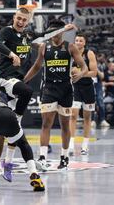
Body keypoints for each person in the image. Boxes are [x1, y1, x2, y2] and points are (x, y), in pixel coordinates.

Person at [0, 8, 75, 180]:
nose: (21, 22)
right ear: (14, 17)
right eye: (19, 18)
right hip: (5, 79)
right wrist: (11, 54)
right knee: (27, 92)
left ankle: (7, 162)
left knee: (13, 130)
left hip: (17, 83)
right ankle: (18, 120)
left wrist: (64, 29)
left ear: (28, 21)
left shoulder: (29, 36)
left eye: (24, 19)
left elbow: (46, 34)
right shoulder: (7, 31)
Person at [24, 20, 87, 170]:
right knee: (46, 124)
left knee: (65, 125)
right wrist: (24, 80)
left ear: (62, 31)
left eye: (55, 30)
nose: (53, 33)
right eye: (50, 30)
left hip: (65, 89)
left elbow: (83, 66)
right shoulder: (44, 47)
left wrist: (81, 73)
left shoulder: (70, 47)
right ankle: (43, 157)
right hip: (49, 89)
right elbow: (37, 66)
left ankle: (64, 157)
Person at [69, 33, 97, 156]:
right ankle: (70, 143)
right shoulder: (71, 54)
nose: (78, 42)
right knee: (73, 114)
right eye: (76, 40)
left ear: (84, 43)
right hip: (75, 86)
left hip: (88, 87)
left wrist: (80, 73)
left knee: (87, 117)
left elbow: (94, 73)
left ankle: (85, 145)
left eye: (81, 40)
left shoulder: (89, 54)